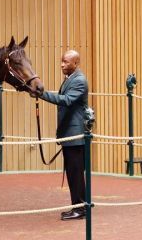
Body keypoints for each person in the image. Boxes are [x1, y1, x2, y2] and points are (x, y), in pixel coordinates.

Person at [37, 50, 88, 220]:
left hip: (75, 136)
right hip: (70, 134)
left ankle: (80, 209)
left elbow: (66, 100)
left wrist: (41, 94)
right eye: (62, 61)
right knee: (73, 174)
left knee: (75, 175)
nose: (62, 65)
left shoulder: (79, 80)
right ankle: (78, 207)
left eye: (66, 62)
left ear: (76, 63)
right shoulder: (71, 78)